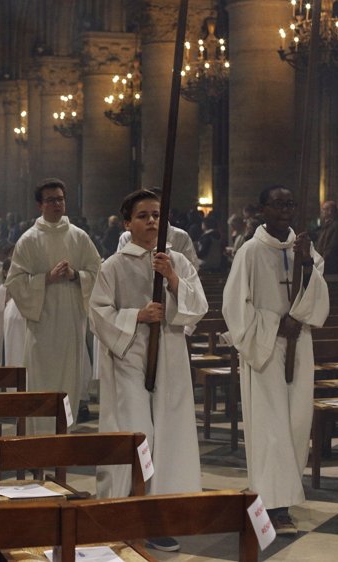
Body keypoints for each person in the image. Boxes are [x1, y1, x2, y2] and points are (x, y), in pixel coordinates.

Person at [90, 189, 208, 552]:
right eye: (143, 216)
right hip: (128, 362)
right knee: (138, 433)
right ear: (127, 223)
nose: (152, 221)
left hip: (169, 357)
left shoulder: (176, 262)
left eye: (157, 215)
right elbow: (98, 313)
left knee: (169, 435)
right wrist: (136, 316)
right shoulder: (113, 265)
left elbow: (198, 306)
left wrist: (172, 278)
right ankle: (127, 510)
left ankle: (160, 514)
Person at [221, 185, 329, 535]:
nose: (286, 209)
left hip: (300, 343)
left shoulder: (305, 247)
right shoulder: (250, 251)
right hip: (264, 348)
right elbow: (235, 304)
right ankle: (273, 503)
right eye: (278, 203)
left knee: (297, 421)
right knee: (270, 428)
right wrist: (273, 325)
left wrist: (307, 269)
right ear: (263, 209)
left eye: (290, 203)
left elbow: (317, 288)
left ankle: (284, 493)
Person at [6, 178, 101, 434]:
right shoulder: (28, 240)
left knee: (69, 378)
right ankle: (39, 434)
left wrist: (75, 275)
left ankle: (63, 433)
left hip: (71, 321)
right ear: (40, 205)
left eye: (60, 199)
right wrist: (45, 279)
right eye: (51, 200)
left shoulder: (79, 237)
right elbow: (14, 281)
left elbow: (98, 271)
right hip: (42, 322)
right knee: (41, 379)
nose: (57, 204)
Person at [315, 200, 338, 280]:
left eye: (324, 209)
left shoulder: (336, 226)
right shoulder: (326, 226)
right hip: (323, 265)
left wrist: (321, 261)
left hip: (330, 266)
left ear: (330, 211)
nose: (322, 211)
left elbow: (332, 247)